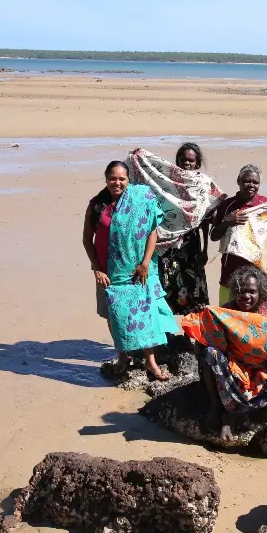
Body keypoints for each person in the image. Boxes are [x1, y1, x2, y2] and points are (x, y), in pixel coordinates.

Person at [183, 265, 267, 438]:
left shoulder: (266, 313)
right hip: (230, 373)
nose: (246, 296)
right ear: (234, 291)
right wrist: (202, 318)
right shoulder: (226, 312)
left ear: (260, 292)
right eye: (241, 291)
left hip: (259, 374)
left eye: (251, 291)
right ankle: (216, 405)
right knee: (211, 353)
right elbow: (200, 351)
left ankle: (232, 414)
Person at [82, 160, 179, 381]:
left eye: (122, 179)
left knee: (143, 312)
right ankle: (123, 356)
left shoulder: (140, 200)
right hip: (107, 272)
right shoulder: (97, 205)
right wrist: (96, 269)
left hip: (136, 270)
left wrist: (145, 263)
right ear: (106, 178)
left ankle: (151, 361)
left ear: (129, 180)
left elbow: (152, 231)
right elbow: (87, 239)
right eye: (112, 178)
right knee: (113, 314)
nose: (117, 182)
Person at [157, 143, 215, 314]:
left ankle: (193, 335)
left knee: (195, 290)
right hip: (171, 244)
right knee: (170, 288)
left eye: (190, 161)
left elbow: (205, 220)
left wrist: (205, 250)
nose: (186, 164)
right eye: (183, 160)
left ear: (197, 163)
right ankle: (169, 337)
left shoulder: (203, 184)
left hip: (192, 244)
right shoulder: (168, 182)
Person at [209, 164, 267, 305]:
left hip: (257, 274)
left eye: (255, 182)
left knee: (258, 319)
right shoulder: (227, 205)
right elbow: (213, 236)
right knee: (227, 317)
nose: (251, 185)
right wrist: (226, 222)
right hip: (230, 272)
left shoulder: (266, 205)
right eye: (247, 181)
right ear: (238, 181)